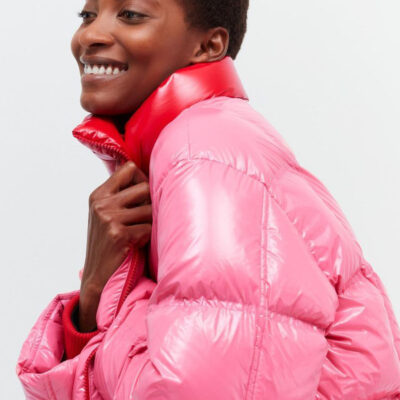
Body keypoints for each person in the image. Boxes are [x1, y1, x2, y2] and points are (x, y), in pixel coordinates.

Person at [16, 0, 400, 398]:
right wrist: (94, 294)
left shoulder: (201, 150)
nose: (90, 36)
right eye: (87, 15)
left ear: (208, 46)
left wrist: (111, 294)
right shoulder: (194, 145)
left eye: (130, 14)